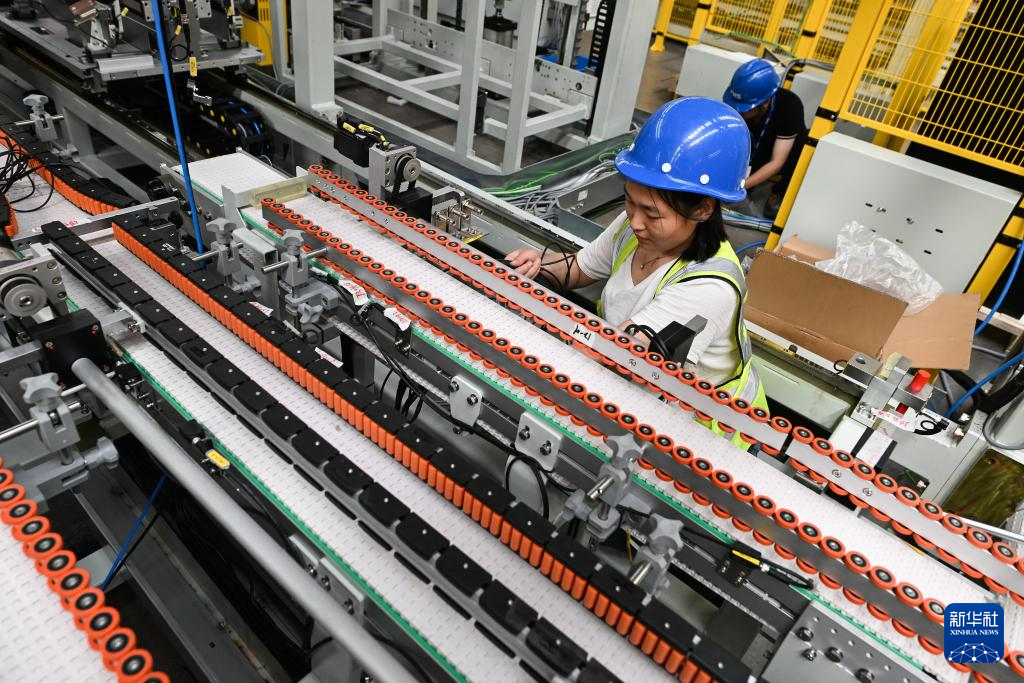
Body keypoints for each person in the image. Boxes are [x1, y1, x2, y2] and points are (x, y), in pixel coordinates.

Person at [506, 97, 766, 446]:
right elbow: (580, 267)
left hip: (704, 436)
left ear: (703, 209)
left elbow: (619, 355)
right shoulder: (636, 227)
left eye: (652, 213)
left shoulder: (709, 288)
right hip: (637, 387)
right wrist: (538, 264)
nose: (635, 221)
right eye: (630, 201)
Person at [723, 58, 807, 219]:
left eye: (743, 108)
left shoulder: (789, 106)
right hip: (753, 152)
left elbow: (777, 162)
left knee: (805, 143)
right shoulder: (739, 104)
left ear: (765, 103)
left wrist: (739, 186)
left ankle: (779, 193)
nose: (737, 110)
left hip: (776, 153)